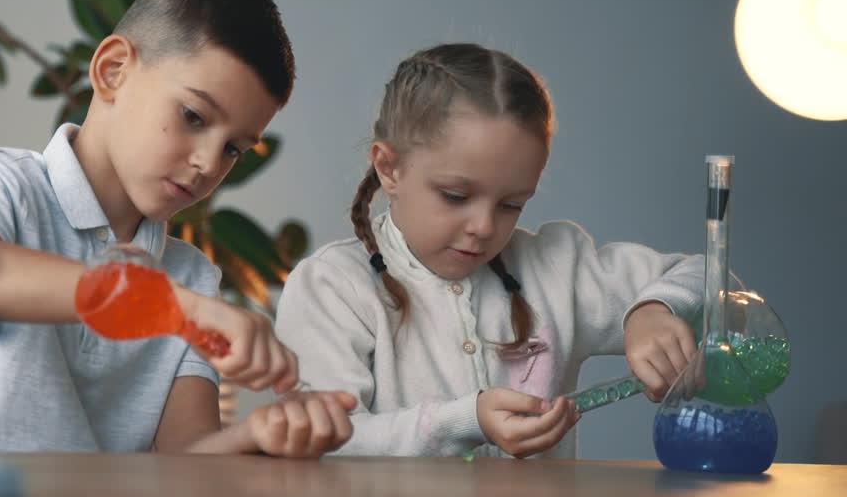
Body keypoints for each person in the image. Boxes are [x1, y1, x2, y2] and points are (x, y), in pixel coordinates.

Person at [0, 0, 355, 457]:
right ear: (113, 71)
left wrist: (257, 436)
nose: (209, 163)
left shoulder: (192, 276)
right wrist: (174, 306)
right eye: (194, 116)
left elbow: (184, 463)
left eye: (233, 149)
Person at [275, 43, 703, 459]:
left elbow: (714, 283)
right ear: (389, 168)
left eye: (511, 205)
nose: (483, 227)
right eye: (455, 196)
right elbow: (328, 441)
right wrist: (466, 421)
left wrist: (655, 310)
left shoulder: (557, 269)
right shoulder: (333, 287)